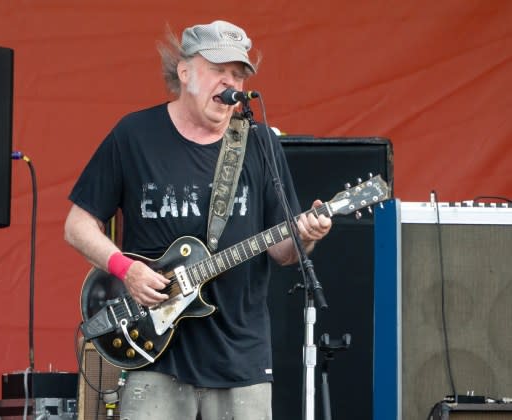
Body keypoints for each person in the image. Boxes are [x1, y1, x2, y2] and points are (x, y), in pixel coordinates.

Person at [64, 19, 332, 420]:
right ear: (185, 72)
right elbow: (77, 225)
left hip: (241, 359)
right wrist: (127, 269)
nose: (230, 85)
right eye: (219, 72)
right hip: (155, 355)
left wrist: (307, 235)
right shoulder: (134, 135)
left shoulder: (259, 142)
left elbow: (283, 251)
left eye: (238, 76)